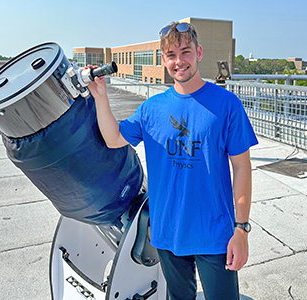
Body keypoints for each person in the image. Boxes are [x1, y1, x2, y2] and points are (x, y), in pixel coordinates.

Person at [88, 21, 258, 300]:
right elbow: (114, 138)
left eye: (186, 51)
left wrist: (241, 230)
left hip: (214, 234)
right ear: (164, 59)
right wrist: (101, 97)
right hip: (167, 233)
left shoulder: (227, 104)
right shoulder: (151, 109)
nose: (179, 61)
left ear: (199, 52)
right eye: (171, 55)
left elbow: (241, 167)